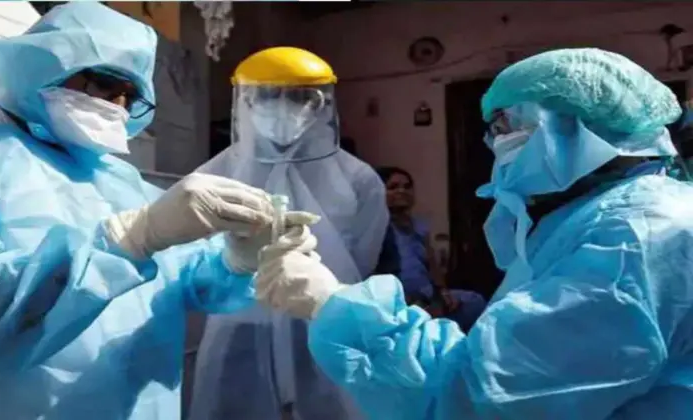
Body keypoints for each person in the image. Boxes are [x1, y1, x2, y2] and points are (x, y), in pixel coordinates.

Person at [0, 3, 315, 419]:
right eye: (103, 84)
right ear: (39, 65)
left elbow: (183, 278)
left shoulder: (119, 178)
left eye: (131, 97)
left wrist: (237, 260)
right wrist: (125, 242)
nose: (116, 104)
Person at [254, 48, 693, 419]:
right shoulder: (595, 215)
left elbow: (480, 393)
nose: (494, 143)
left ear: (573, 126)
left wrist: (333, 305)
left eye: (505, 127)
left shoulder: (636, 237)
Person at [188, 47, 389, 420]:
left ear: (322, 103)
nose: (282, 107)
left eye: (298, 96)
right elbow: (195, 265)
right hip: (239, 326)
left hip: (325, 320)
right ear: (245, 101)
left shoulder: (358, 179)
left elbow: (364, 258)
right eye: (268, 95)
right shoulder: (213, 176)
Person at [376, 166, 486, 331]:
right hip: (397, 299)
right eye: (393, 187)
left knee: (473, 302)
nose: (402, 191)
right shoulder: (377, 228)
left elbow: (433, 266)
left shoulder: (418, 227)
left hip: (427, 294)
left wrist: (442, 293)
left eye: (407, 186)